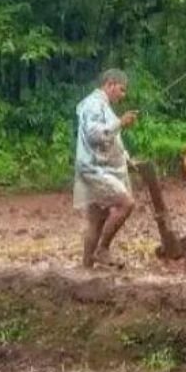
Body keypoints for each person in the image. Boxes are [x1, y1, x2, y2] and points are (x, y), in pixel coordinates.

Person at [74, 69, 138, 268]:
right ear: (110, 84)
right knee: (126, 203)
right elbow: (94, 134)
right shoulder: (94, 104)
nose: (123, 95)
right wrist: (120, 123)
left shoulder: (103, 106)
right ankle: (103, 249)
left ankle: (85, 270)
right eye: (121, 89)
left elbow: (112, 141)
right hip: (95, 169)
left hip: (96, 168)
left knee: (97, 220)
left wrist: (126, 159)